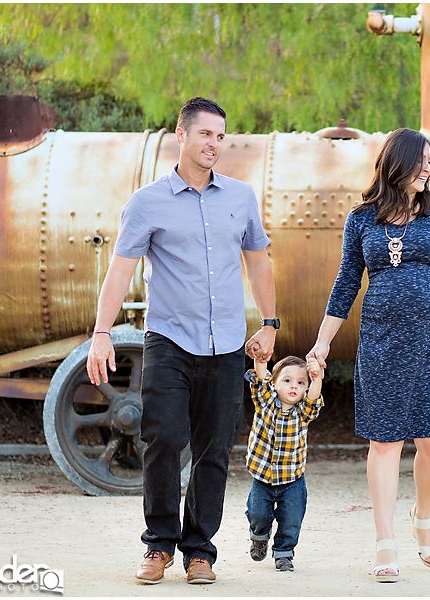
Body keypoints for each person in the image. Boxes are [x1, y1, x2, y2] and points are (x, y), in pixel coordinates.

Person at [85, 97, 279, 585]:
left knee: (214, 450)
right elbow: (120, 269)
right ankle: (158, 546)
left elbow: (257, 260)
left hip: (227, 344)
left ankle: (200, 552)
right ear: (182, 135)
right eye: (206, 134)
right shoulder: (148, 201)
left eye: (221, 136)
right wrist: (101, 334)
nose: (214, 143)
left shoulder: (240, 197)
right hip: (169, 339)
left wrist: (270, 322)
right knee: (164, 438)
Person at [307, 128, 430, 583]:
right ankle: (384, 542)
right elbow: (347, 282)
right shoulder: (361, 219)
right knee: (385, 440)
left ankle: (423, 518)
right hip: (382, 338)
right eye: (421, 161)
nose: (428, 169)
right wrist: (322, 342)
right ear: (397, 162)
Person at [244, 355, 324, 573]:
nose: (293, 386)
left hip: (292, 480)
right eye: (287, 381)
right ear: (274, 384)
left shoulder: (303, 412)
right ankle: (259, 538)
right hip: (262, 476)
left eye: (301, 383)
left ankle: (284, 553)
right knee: (258, 514)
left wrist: (317, 378)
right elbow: (260, 377)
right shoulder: (265, 401)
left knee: (292, 520)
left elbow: (314, 398)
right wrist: (261, 359)